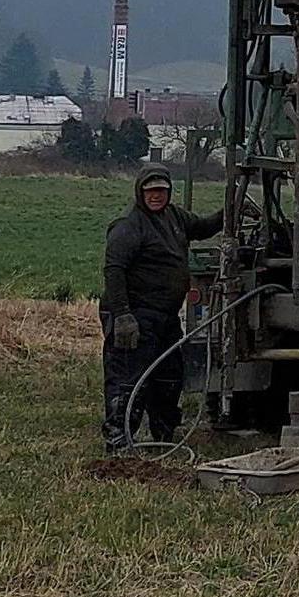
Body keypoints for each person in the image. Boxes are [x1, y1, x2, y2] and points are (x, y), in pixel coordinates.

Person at [101, 162, 224, 450]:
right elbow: (114, 270)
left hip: (165, 316)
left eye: (161, 190)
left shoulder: (175, 217)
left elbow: (203, 227)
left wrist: (229, 213)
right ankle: (119, 440)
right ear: (140, 192)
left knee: (169, 376)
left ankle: (164, 434)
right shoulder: (129, 226)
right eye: (150, 191)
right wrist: (123, 316)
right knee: (129, 378)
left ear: (169, 192)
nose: (156, 196)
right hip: (136, 313)